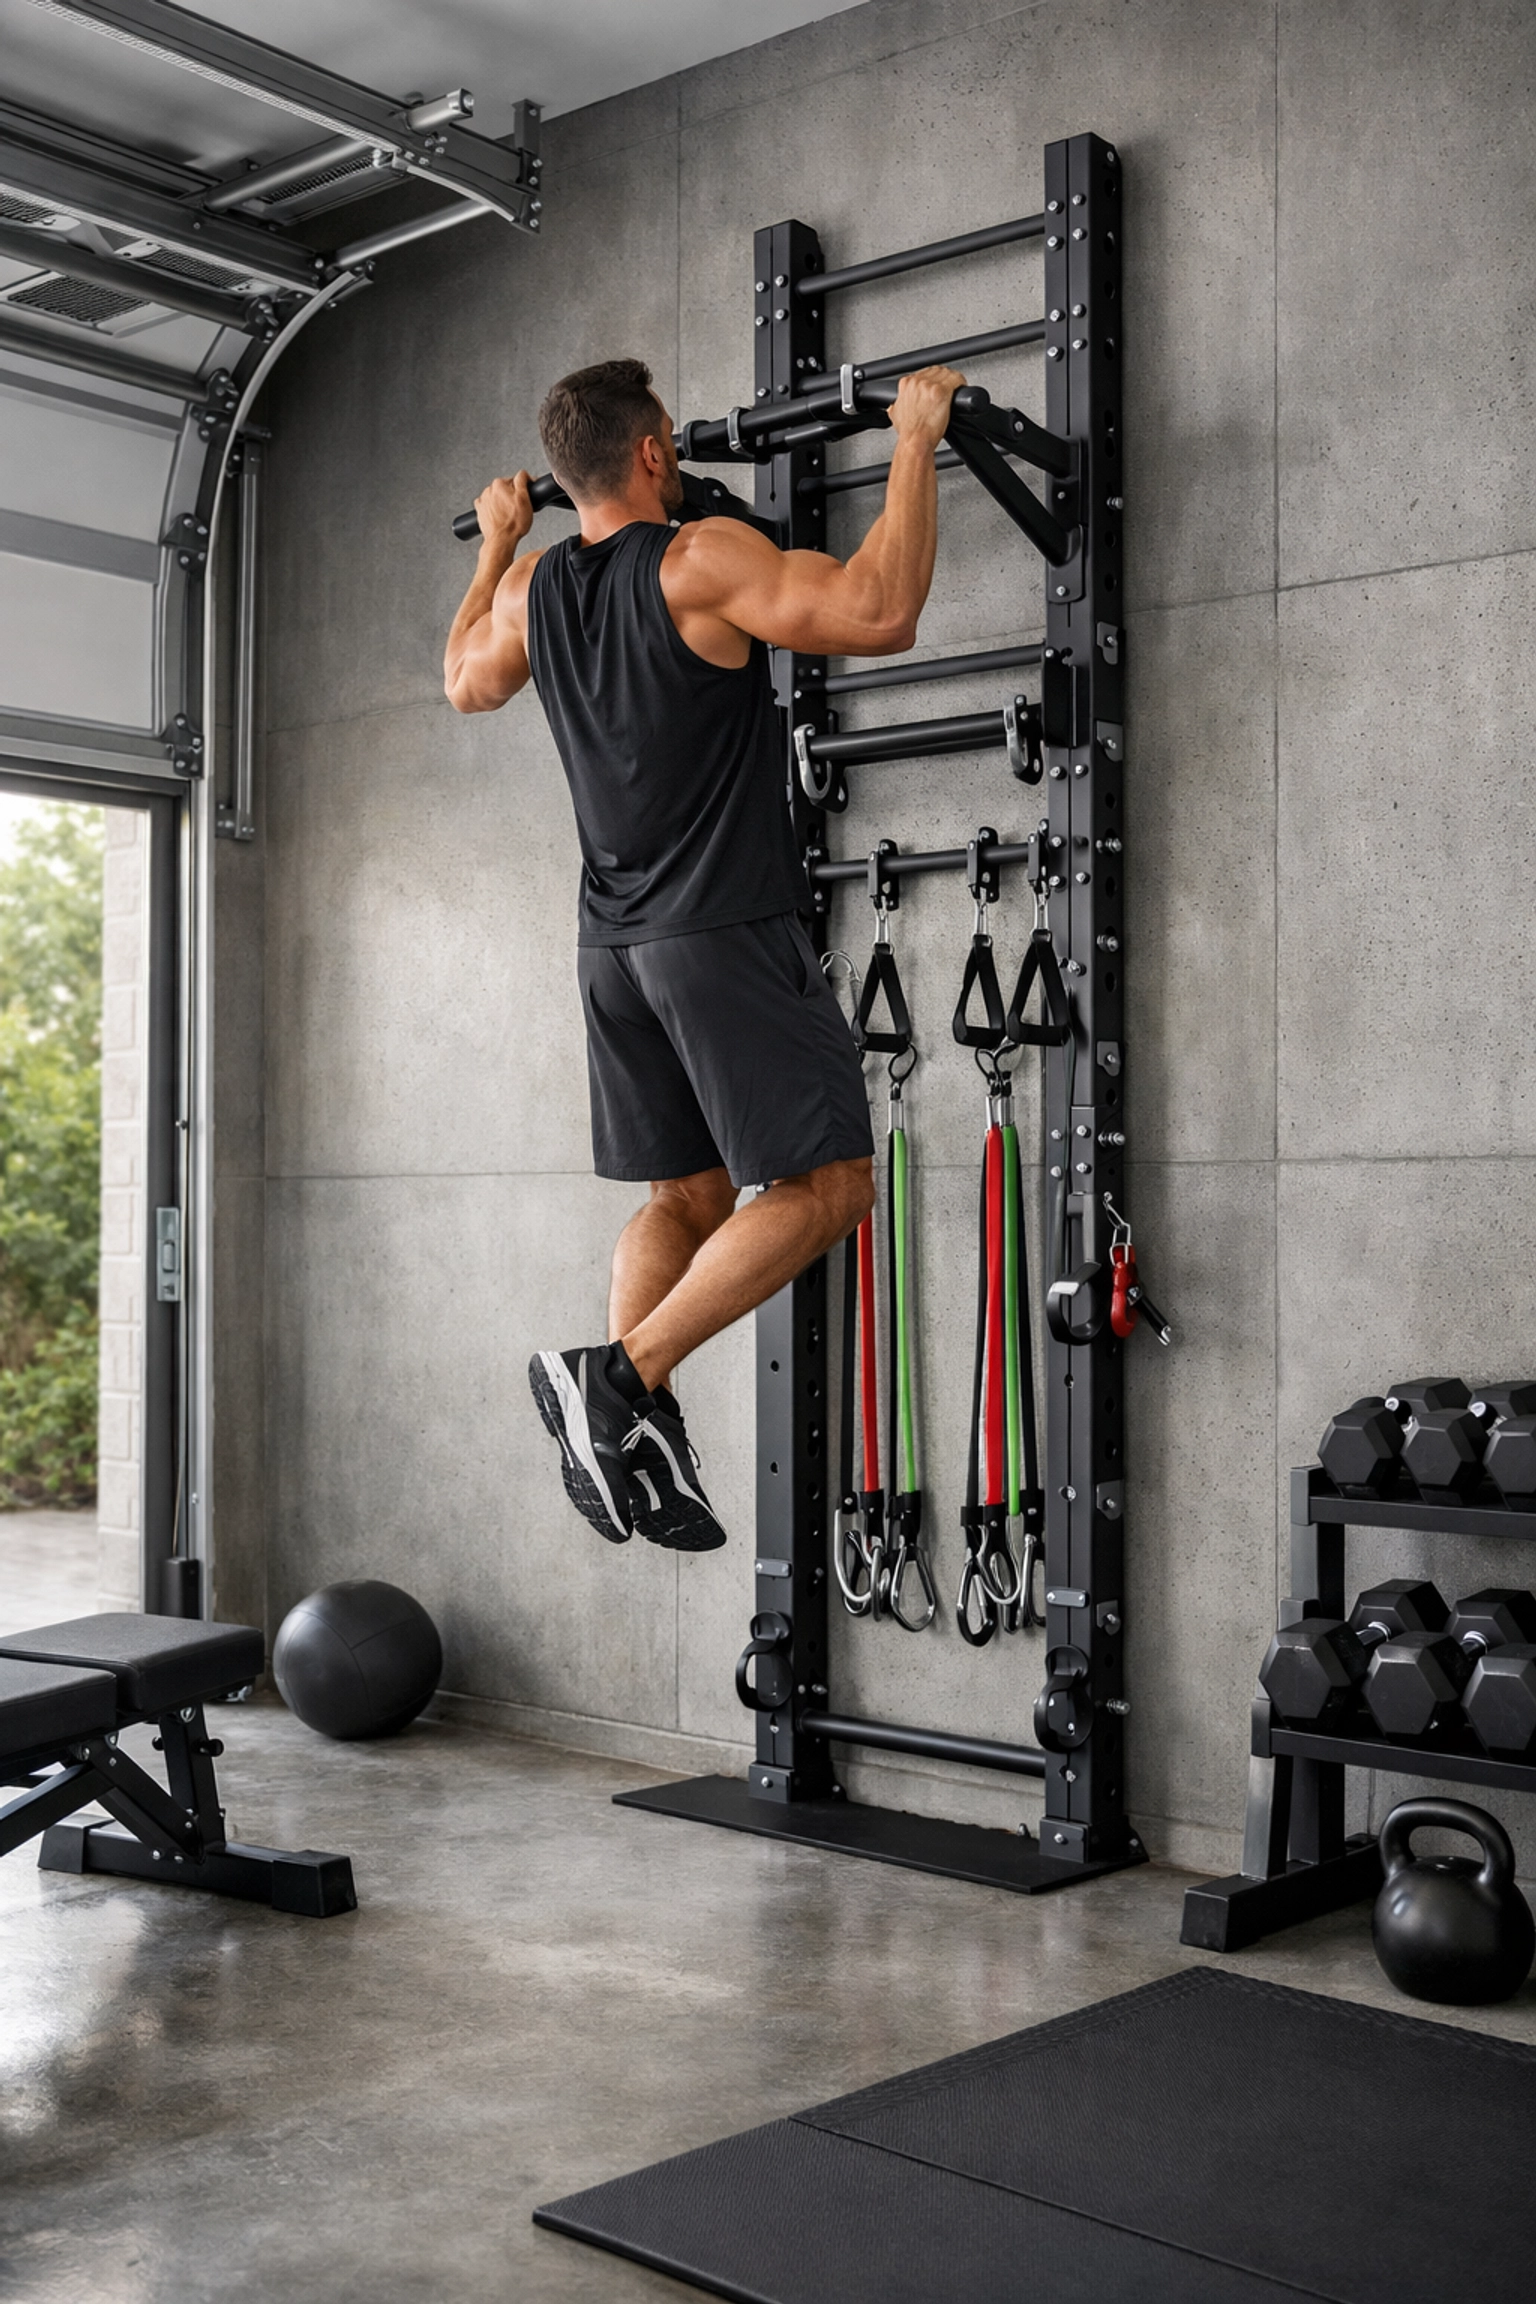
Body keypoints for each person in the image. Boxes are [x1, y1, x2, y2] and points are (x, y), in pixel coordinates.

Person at [444, 355, 962, 1554]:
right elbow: (881, 612)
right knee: (832, 1187)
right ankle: (619, 1380)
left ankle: (639, 1424)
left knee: (690, 1196)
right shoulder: (696, 565)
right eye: (670, 441)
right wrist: (917, 439)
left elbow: (466, 683)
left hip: (610, 951)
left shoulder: (527, 588)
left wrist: (493, 542)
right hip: (719, 934)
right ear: (651, 454)